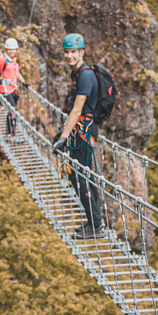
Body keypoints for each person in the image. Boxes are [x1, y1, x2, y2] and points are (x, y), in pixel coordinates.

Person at [52, 33, 105, 240]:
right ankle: (94, 222)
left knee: (80, 178)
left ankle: (95, 226)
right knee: (84, 176)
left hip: (83, 132)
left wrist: (63, 138)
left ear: (81, 52)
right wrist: (64, 132)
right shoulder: (79, 73)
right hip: (80, 130)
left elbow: (76, 110)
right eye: (66, 52)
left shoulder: (84, 76)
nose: (69, 56)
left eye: (73, 52)